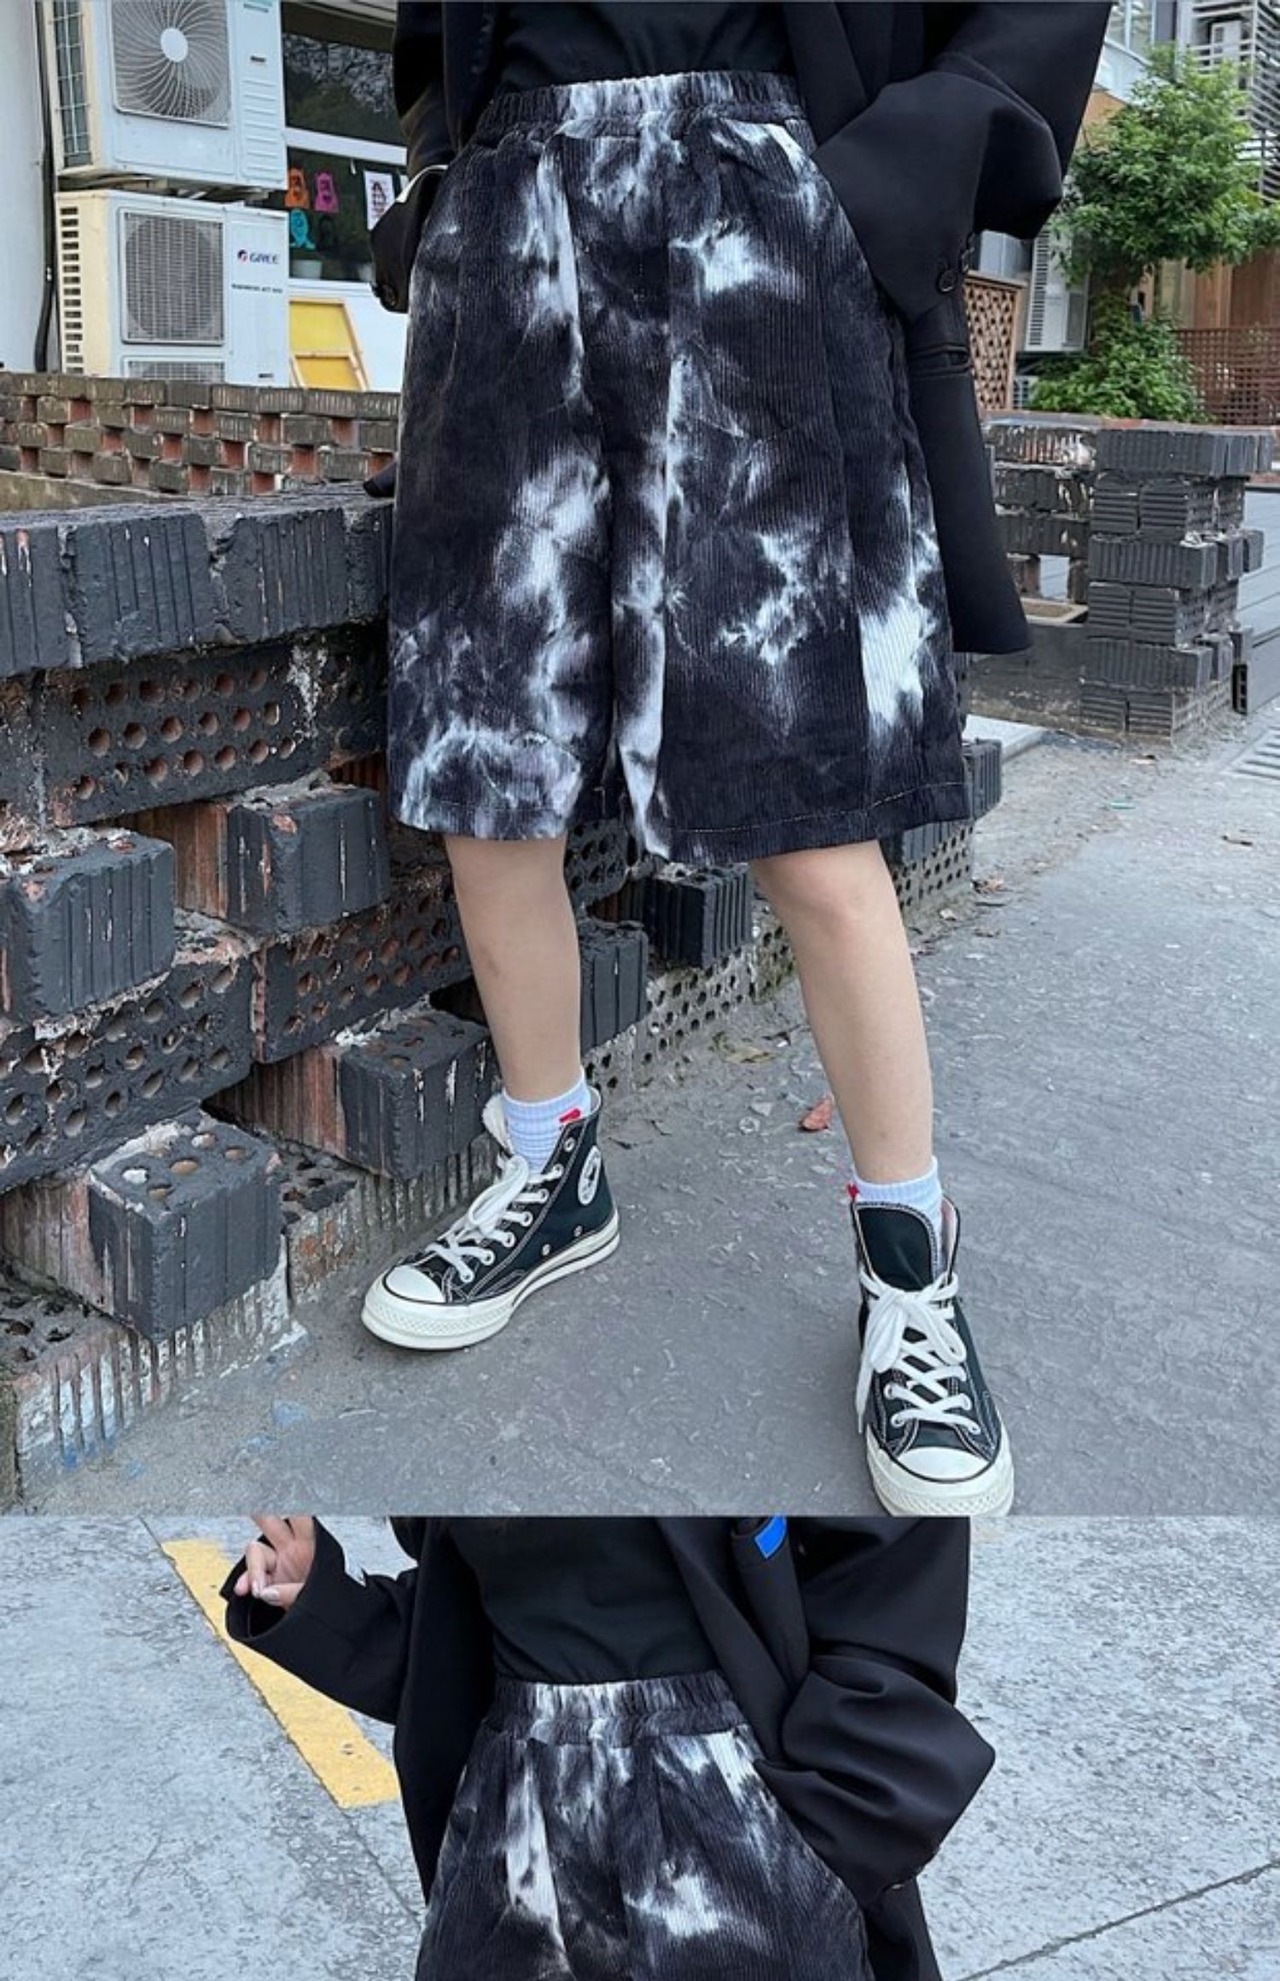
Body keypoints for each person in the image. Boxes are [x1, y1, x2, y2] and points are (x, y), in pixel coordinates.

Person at [359, 3, 1111, 1517]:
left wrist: (888, 170)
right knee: (487, 766)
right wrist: (450, 178)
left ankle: (910, 1268)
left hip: (756, 212)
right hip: (511, 224)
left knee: (810, 811)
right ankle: (550, 1165)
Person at [223, 1513, 994, 1981]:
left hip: (737, 1813)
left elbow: (895, 1562)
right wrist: (325, 1603)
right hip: (512, 1826)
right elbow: (464, 1640)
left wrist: (830, 1827)